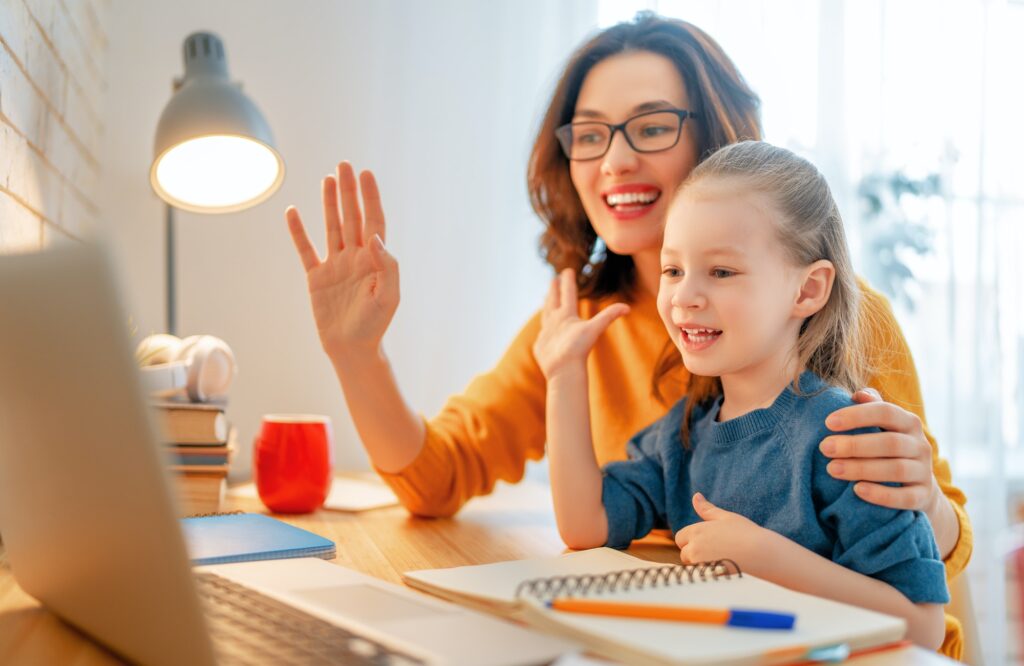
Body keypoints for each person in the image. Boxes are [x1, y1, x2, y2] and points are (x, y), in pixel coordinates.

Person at [284, 13, 970, 656]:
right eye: (589, 134)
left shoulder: (841, 318)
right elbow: (438, 477)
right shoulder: (578, 324)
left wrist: (926, 503)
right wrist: (358, 354)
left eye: (650, 127)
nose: (613, 160)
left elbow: (932, 567)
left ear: (716, 140)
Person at [533, 140, 948, 648]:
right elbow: (585, 524)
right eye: (673, 270)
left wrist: (771, 560)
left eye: (722, 272)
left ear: (808, 290)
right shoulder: (684, 435)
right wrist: (564, 375)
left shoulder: (849, 440)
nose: (684, 296)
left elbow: (922, 627)